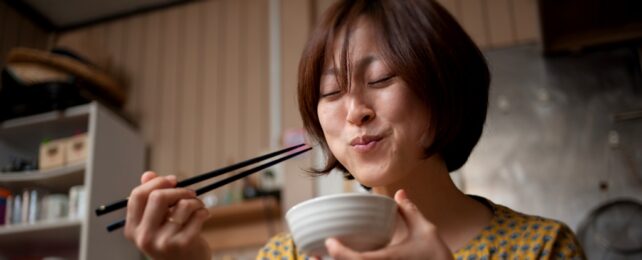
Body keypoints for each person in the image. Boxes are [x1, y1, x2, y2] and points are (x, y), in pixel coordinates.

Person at [123, 1, 586, 259]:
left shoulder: (543, 248)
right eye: (330, 93)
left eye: (381, 79)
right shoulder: (291, 255)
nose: (354, 112)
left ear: (445, 84)